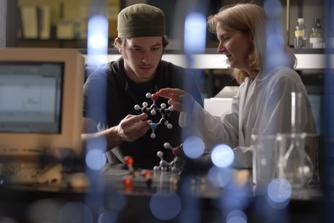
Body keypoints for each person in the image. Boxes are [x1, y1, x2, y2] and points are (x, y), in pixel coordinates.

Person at [157, 3, 316, 168]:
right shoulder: (249, 84)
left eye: (225, 38)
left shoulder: (282, 80)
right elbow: (227, 137)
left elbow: (271, 152)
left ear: (253, 36)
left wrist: (211, 160)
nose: (219, 49)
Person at [82, 3, 202, 169]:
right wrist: (117, 134)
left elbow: (206, 140)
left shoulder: (181, 79)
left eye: (154, 48)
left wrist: (194, 112)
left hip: (175, 180)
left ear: (163, 46)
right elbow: (76, 144)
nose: (147, 59)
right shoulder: (101, 82)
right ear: (119, 45)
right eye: (137, 49)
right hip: (120, 181)